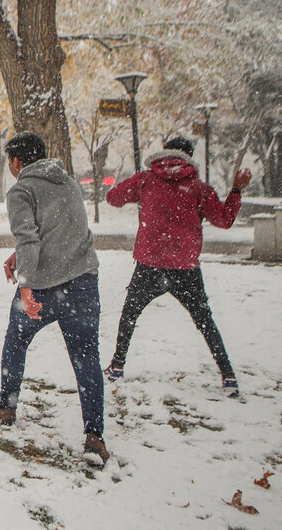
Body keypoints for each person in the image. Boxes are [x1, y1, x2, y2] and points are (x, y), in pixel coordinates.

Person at [0, 132, 109, 465]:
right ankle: (94, 434)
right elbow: (62, 229)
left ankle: (7, 407)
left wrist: (25, 286)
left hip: (41, 286)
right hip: (83, 282)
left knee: (16, 340)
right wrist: (20, 256)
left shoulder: (21, 190)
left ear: (16, 161)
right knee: (86, 356)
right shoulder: (68, 183)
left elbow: (29, 239)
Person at [102, 136, 251, 397]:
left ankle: (117, 365)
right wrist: (236, 190)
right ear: (190, 157)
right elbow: (225, 219)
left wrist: (133, 189)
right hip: (185, 266)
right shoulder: (199, 188)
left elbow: (113, 198)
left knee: (129, 315)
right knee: (205, 321)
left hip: (150, 263)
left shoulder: (145, 180)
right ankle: (227, 375)